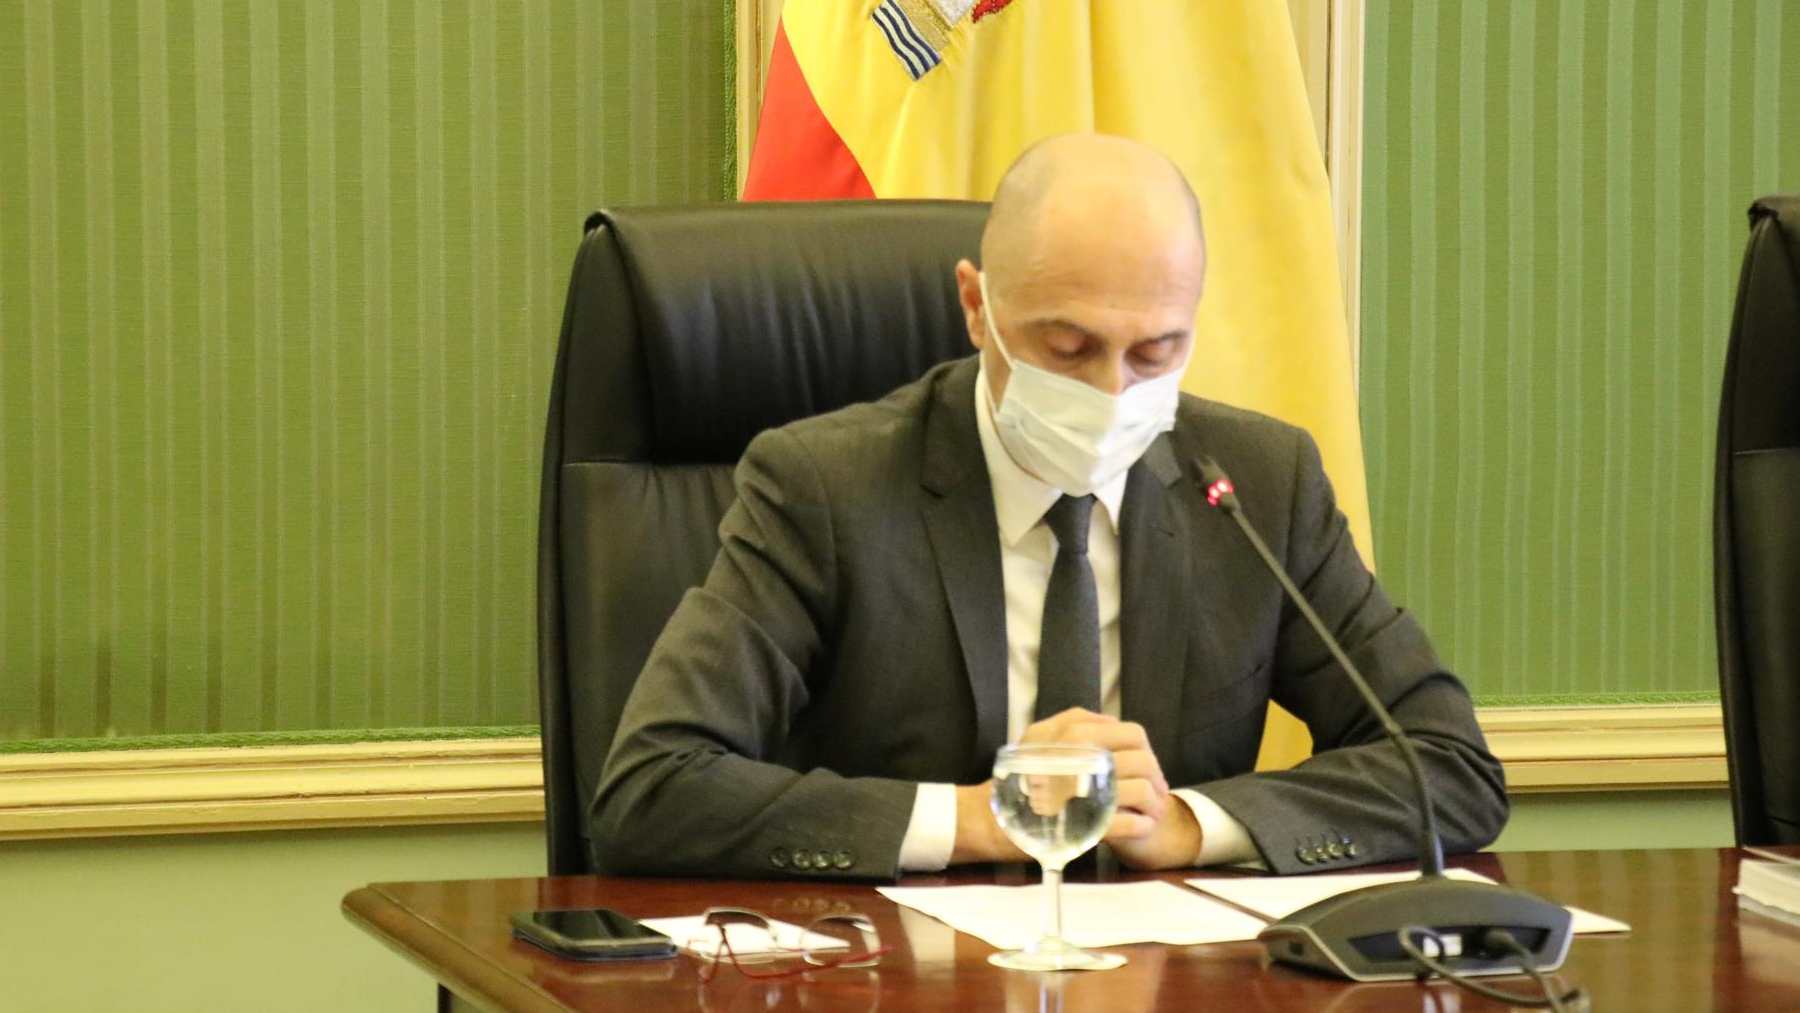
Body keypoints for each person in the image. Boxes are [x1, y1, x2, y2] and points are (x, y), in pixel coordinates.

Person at [591, 133, 1507, 879]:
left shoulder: (1259, 482)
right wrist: (978, 817)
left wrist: (1195, 821)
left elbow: (1447, 766)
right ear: (976, 306)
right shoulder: (822, 486)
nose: (1112, 392)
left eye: (1156, 351)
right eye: (1067, 348)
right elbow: (654, 787)